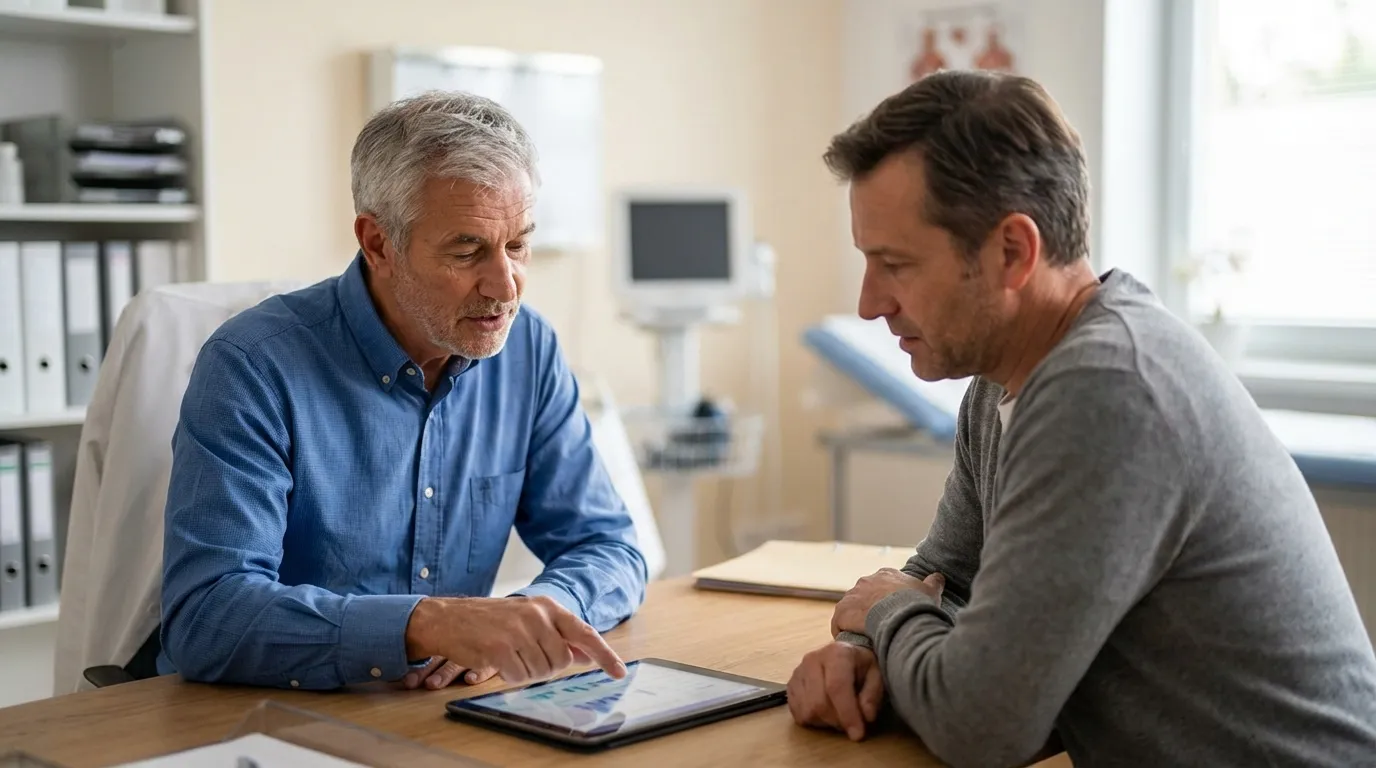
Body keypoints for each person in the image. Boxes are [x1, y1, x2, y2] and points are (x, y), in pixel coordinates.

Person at [787, 70, 1376, 767]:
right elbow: (944, 582)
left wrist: (883, 614)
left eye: (895, 264)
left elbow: (982, 727)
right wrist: (860, 651)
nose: (868, 302)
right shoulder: (1005, 378)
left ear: (1012, 251)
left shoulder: (1109, 389)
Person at [158, 91, 647, 692]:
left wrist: (535, 615)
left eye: (518, 245)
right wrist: (423, 624)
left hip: (441, 713)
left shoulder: (529, 349)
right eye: (467, 249)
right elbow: (208, 618)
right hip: (269, 720)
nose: (505, 285)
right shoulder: (253, 365)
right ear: (379, 243)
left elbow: (608, 546)